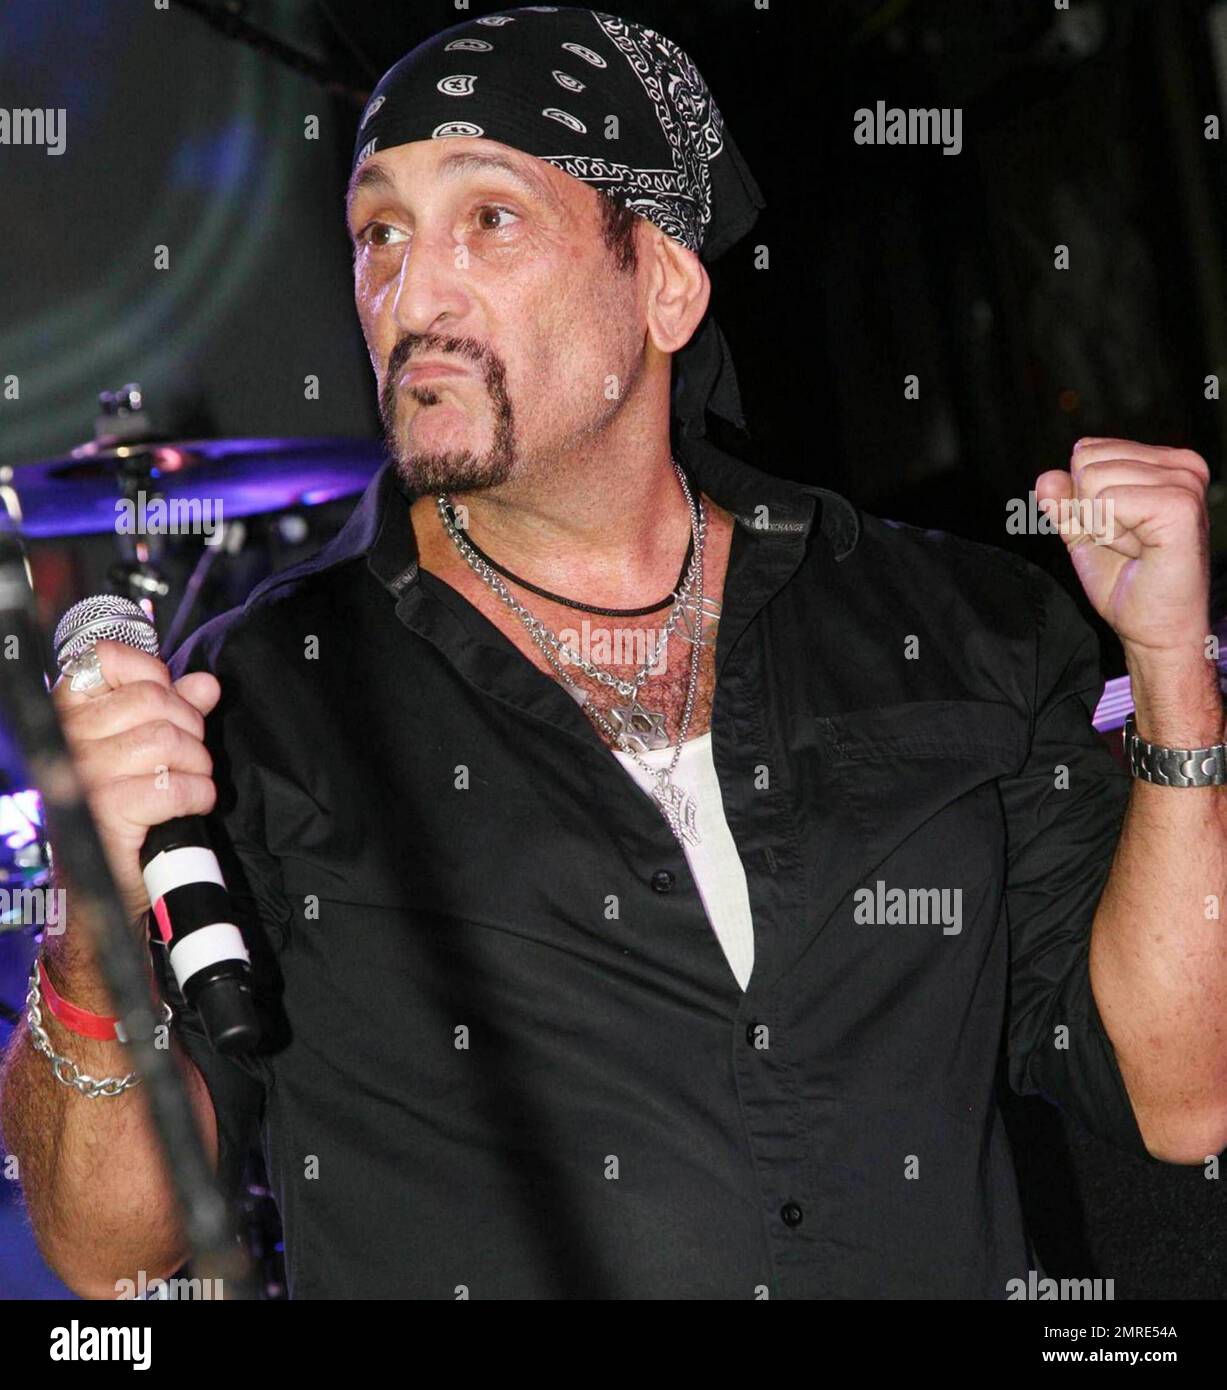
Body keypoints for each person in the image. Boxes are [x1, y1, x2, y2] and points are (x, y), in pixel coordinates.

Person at [3, 6, 1225, 1301]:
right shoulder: (275, 696)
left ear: (664, 283)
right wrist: (90, 925)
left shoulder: (955, 625)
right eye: (380, 234)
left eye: (492, 218)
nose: (412, 292)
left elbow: (1184, 1092)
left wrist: (1168, 669)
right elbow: (105, 1244)